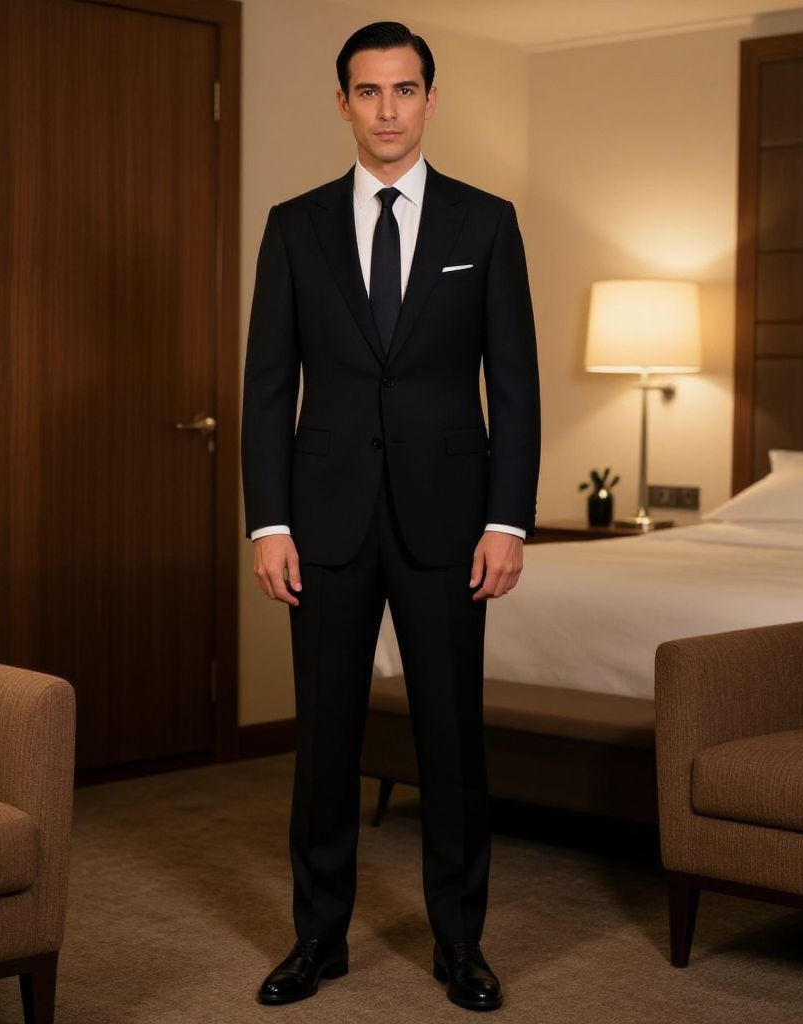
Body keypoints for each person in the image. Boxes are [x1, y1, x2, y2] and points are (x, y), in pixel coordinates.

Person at [241, 20, 540, 1012]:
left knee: (451, 742)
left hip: (449, 524)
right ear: (342, 103)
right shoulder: (294, 226)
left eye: (403, 90)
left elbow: (518, 388)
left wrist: (509, 521)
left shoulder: (484, 223)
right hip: (320, 525)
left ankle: (461, 944)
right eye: (366, 92)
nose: (385, 110)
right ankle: (316, 939)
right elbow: (265, 388)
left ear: (429, 98)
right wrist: (267, 523)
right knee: (324, 740)